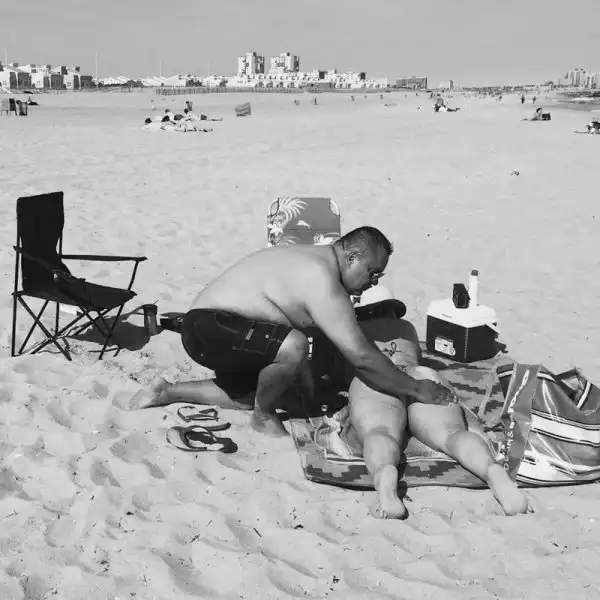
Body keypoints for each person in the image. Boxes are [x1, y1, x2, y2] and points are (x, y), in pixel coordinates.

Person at [123, 227, 455, 437]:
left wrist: (307, 376)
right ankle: (263, 417)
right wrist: (415, 388)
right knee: (292, 348)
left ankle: (167, 391)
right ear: (352, 257)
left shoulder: (316, 259)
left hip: (215, 329)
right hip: (209, 327)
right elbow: (362, 357)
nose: (374, 282)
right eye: (372, 272)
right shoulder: (321, 278)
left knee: (255, 393)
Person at [334, 289, 530, 519]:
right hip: (419, 375)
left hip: (376, 379)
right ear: (392, 309)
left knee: (379, 431)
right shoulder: (406, 328)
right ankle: (492, 471)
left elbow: (340, 371)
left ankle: (384, 474)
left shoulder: (353, 331)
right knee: (451, 433)